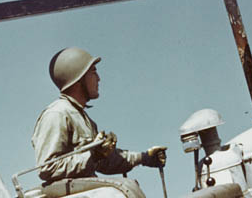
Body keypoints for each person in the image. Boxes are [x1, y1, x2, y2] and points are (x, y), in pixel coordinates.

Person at [32, 47, 166, 183]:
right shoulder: (57, 114)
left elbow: (106, 162)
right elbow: (47, 168)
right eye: (93, 72)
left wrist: (144, 158)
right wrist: (93, 155)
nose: (99, 78)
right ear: (79, 78)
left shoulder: (83, 119)